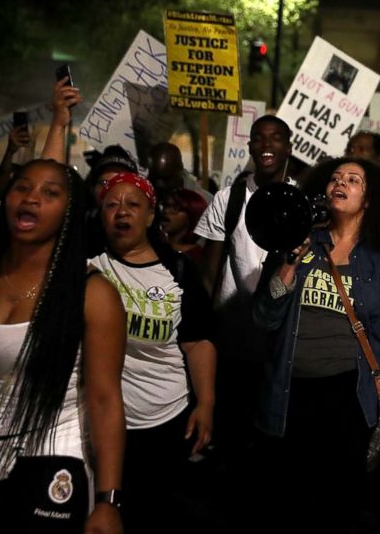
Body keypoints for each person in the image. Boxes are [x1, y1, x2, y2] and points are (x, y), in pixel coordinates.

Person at [253, 157, 380, 531]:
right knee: (290, 504)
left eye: (352, 179)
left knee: (338, 505)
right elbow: (263, 318)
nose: (339, 184)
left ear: (369, 199)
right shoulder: (297, 242)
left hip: (349, 395)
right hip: (289, 392)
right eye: (333, 178)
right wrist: (287, 266)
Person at [0, 160, 126, 533]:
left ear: (69, 213)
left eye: (50, 193)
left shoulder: (93, 293)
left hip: (52, 461)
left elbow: (104, 399)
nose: (32, 199)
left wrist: (108, 500)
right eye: (22, 187)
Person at [90, 173, 216, 533]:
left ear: (149, 215)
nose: (121, 212)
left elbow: (197, 341)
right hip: (98, 421)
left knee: (151, 515)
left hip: (164, 420)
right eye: (112, 205)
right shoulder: (88, 265)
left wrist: (205, 403)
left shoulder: (177, 271)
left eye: (133, 204)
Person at [194, 115, 294, 456]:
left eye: (276, 137)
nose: (267, 145)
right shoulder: (229, 199)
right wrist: (203, 334)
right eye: (259, 138)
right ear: (250, 146)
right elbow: (209, 274)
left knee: (268, 443)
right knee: (231, 436)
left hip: (278, 343)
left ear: (288, 147)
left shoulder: (299, 202)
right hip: (232, 342)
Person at [159, 188, 208, 263]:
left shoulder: (198, 257)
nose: (166, 210)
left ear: (191, 216)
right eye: (165, 205)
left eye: (175, 208)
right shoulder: (154, 246)